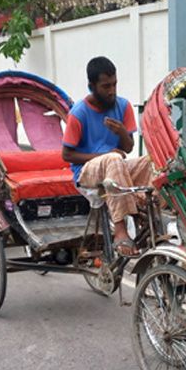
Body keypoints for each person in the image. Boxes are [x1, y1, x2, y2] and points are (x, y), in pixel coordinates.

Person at [62, 56, 151, 257]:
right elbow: (67, 154)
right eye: (105, 86)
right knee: (113, 159)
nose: (112, 90)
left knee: (151, 160)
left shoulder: (123, 106)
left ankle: (148, 216)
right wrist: (104, 155)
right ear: (91, 86)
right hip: (86, 173)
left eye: (114, 84)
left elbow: (128, 148)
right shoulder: (79, 113)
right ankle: (120, 230)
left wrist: (121, 132)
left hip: (115, 168)